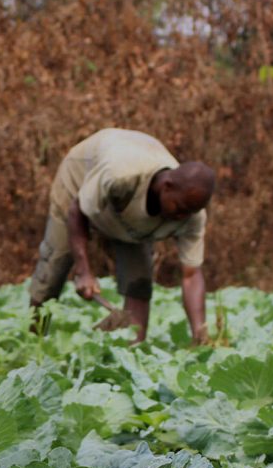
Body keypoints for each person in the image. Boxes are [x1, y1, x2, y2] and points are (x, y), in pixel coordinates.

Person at [29, 128, 215, 344]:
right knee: (54, 266)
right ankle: (34, 342)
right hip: (80, 183)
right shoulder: (122, 176)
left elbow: (191, 275)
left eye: (189, 212)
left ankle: (132, 351)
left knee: (139, 283)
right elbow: (77, 211)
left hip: (129, 217)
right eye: (179, 208)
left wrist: (200, 333)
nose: (182, 216)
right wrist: (83, 271)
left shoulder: (191, 215)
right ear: (167, 187)